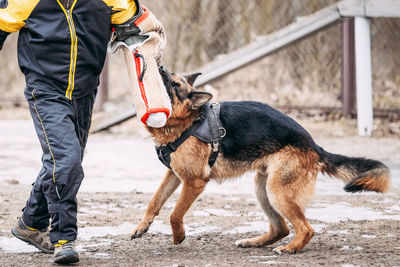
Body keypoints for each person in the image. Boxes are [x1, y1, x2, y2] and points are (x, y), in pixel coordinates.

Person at [0, 0, 169, 264]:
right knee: (66, 160)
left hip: (85, 90)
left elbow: (139, 25)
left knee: (64, 160)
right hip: (44, 90)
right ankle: (63, 239)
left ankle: (30, 224)